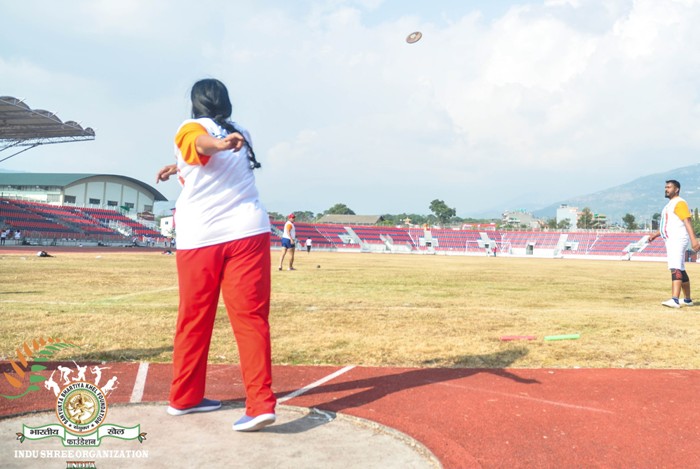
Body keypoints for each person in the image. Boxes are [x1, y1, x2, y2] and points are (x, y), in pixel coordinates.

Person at [156, 78, 276, 432]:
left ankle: (184, 398)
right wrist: (180, 164)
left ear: (195, 104)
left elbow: (201, 145)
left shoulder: (189, 128)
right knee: (252, 319)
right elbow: (206, 153)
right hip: (248, 232)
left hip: (201, 237)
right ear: (227, 102)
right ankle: (260, 404)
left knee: (194, 318)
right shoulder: (242, 131)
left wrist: (215, 146)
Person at [648, 179, 700, 308]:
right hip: (672, 239)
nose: (666, 189)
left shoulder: (679, 203)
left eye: (669, 187)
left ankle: (675, 299)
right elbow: (669, 225)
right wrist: (655, 235)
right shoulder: (670, 204)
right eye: (665, 187)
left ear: (676, 189)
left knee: (675, 267)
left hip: (677, 239)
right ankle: (687, 299)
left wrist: (694, 239)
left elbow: (687, 221)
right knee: (680, 269)